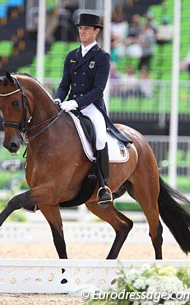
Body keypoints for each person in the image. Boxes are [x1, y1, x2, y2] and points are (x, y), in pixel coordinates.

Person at [54, 13, 131, 207]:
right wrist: (58, 98)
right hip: (69, 104)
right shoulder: (72, 56)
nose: (82, 31)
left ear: (96, 31)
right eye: (80, 28)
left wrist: (77, 104)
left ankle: (104, 185)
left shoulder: (102, 56)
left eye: (86, 28)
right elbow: (64, 84)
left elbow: (98, 90)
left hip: (91, 107)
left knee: (99, 137)